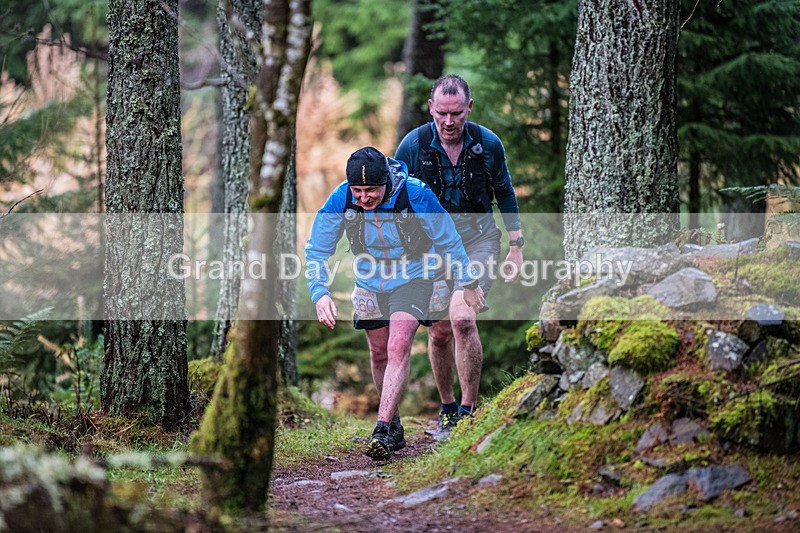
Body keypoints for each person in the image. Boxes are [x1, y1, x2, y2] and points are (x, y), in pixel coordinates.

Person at [305, 146, 484, 460]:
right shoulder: (341, 198)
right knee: (378, 352)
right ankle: (396, 426)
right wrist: (319, 293)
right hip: (369, 279)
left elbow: (448, 239)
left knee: (398, 345)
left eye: (371, 190)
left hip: (414, 275)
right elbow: (317, 249)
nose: (363, 198)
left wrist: (468, 281)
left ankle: (382, 428)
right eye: (358, 191)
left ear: (385, 182)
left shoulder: (415, 194)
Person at [395, 74, 523, 439]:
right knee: (437, 333)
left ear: (469, 108)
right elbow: (394, 197)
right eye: (442, 115)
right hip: (429, 249)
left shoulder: (488, 144)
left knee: (463, 318)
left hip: (478, 243)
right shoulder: (413, 146)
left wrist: (516, 245)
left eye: (457, 114)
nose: (449, 123)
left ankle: (468, 410)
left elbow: (505, 191)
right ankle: (448, 406)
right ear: (431, 109)